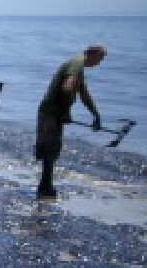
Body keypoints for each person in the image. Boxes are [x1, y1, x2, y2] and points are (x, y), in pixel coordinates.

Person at [35, 45, 106, 200]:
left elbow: (84, 94)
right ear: (91, 54)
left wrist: (95, 114)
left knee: (52, 150)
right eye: (100, 59)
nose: (99, 63)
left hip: (54, 112)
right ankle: (45, 187)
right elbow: (67, 87)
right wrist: (65, 111)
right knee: (49, 149)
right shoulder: (76, 64)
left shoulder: (78, 67)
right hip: (50, 112)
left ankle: (45, 185)